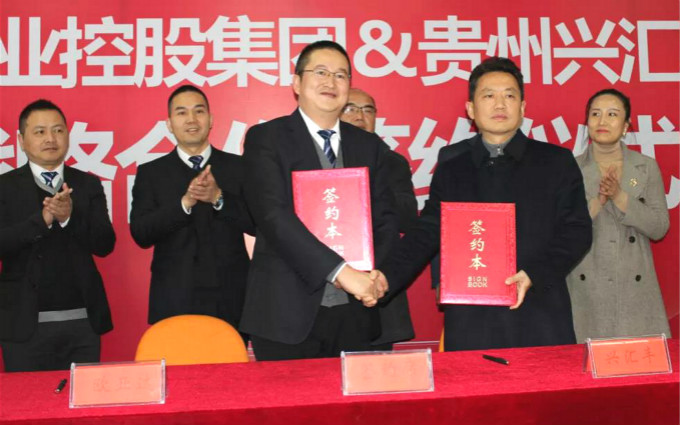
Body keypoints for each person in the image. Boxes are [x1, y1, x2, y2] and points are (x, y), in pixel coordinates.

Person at [374, 57, 592, 351]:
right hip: (472, 317)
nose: (500, 104)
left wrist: (534, 274)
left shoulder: (555, 162)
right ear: (471, 109)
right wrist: (386, 275)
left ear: (523, 108)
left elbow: (577, 231)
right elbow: (427, 231)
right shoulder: (453, 167)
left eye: (509, 96)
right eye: (488, 96)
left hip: (539, 311)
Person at [240, 41, 398, 360]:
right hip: (286, 314)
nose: (331, 82)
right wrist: (341, 272)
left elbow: (385, 218)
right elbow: (272, 216)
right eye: (321, 72)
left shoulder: (369, 145)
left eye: (340, 75)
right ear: (297, 83)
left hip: (357, 311)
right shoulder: (266, 138)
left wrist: (375, 275)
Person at [0, 100, 115, 372]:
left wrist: (68, 218)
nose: (50, 139)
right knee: (28, 399)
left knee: (81, 398)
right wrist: (41, 221)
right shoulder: (4, 187)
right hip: (23, 324)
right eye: (40, 132)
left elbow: (105, 244)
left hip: (82, 321)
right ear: (21, 140)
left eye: (58, 130)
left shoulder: (87, 184)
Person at [130, 85, 254, 337]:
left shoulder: (239, 167)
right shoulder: (151, 173)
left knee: (231, 362)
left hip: (231, 296)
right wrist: (184, 204)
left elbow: (257, 223)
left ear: (211, 119)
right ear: (169, 124)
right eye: (181, 112)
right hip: (174, 297)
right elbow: (141, 233)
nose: (191, 119)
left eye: (199, 111)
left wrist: (218, 198)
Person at [567, 88, 671, 342]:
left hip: (634, 287)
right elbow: (562, 228)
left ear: (626, 126)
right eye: (595, 114)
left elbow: (659, 227)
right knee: (585, 362)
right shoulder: (569, 167)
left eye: (612, 114)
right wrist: (598, 201)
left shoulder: (645, 167)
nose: (602, 121)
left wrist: (620, 197)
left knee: (638, 362)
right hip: (586, 285)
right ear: (587, 123)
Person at [340, 88, 416, 349]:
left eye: (368, 110)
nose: (360, 116)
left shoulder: (391, 162)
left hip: (375, 283)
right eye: (351, 109)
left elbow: (407, 217)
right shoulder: (319, 159)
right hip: (328, 285)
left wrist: (366, 184)